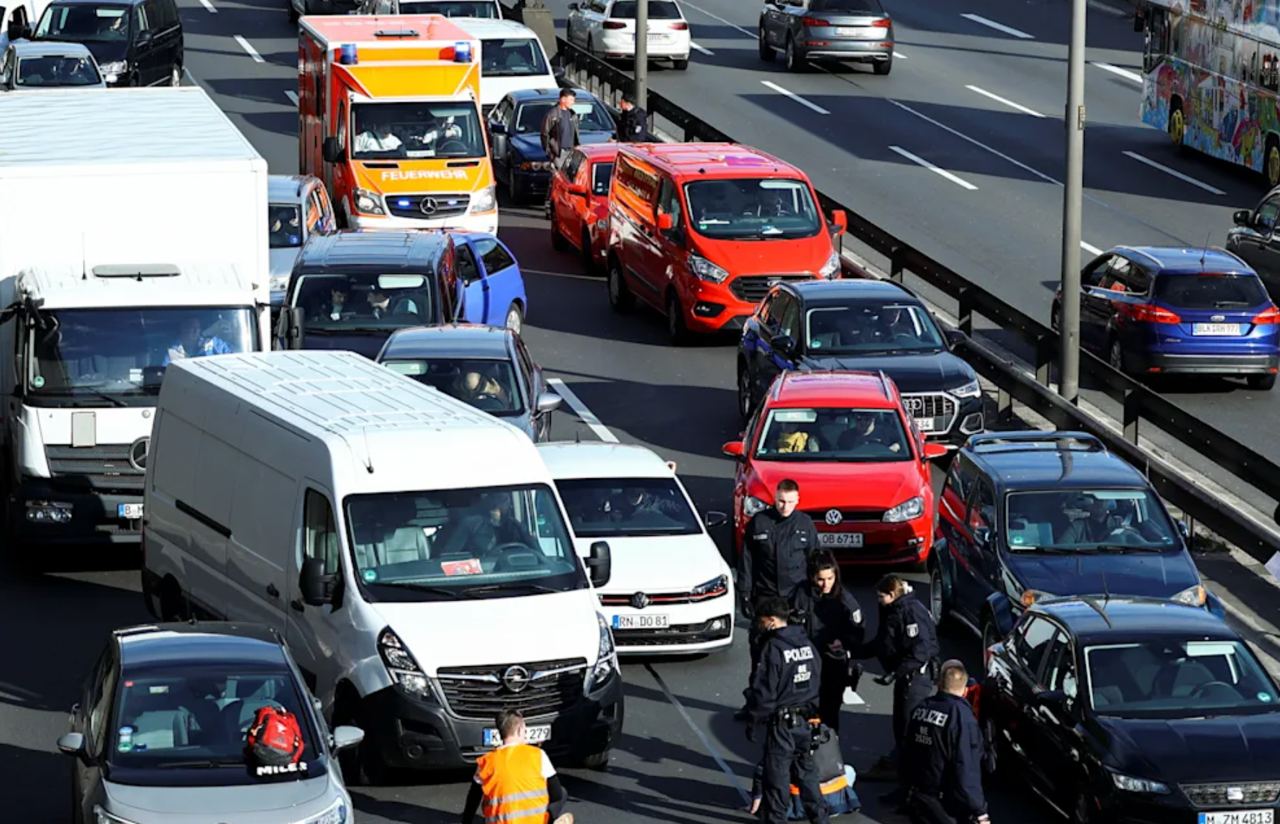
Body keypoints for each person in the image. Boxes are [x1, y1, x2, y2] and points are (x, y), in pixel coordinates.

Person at [736, 479, 819, 719]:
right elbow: (747, 560)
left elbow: (815, 560)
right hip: (765, 597)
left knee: (796, 656)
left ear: (798, 500)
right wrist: (744, 591)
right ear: (775, 497)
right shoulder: (760, 522)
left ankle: (795, 706)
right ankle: (754, 705)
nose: (785, 507)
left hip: (795, 600)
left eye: (790, 502)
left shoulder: (804, 524)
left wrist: (813, 596)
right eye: (781, 501)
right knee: (760, 654)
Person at [744, 596, 830, 824]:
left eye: (762, 621)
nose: (760, 626)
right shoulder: (807, 644)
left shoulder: (773, 648)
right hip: (806, 721)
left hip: (781, 725)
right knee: (808, 775)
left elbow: (764, 693)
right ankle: (820, 819)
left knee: (777, 781)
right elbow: (817, 677)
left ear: (772, 621)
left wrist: (753, 721)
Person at [855, 574, 939, 788]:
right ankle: (901, 771)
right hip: (906, 677)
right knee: (901, 726)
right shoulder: (894, 611)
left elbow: (921, 651)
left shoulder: (910, 612)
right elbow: (883, 644)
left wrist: (896, 673)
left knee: (908, 728)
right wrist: (852, 652)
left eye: (881, 596)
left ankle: (911, 781)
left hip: (915, 678)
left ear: (892, 594)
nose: (878, 600)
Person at [901, 661, 990, 824]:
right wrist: (979, 811)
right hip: (946, 804)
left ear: (940, 683)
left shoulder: (921, 708)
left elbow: (907, 749)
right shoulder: (961, 717)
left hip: (919, 794)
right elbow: (965, 765)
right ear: (964, 691)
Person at [789, 551, 864, 735]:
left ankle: (829, 746)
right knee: (807, 710)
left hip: (833, 661)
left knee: (830, 712)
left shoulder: (844, 600)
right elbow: (790, 625)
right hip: (807, 661)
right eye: (821, 579)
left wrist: (844, 642)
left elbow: (858, 629)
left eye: (830, 578)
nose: (826, 584)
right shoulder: (800, 595)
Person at [462, 709, 573, 824]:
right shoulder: (538, 755)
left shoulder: (486, 762)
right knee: (562, 792)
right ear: (520, 731)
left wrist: (466, 821)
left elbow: (473, 800)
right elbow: (556, 794)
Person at [439, 493, 536, 555]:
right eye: (493, 508)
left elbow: (539, 555)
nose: (495, 512)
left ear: (508, 508)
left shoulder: (516, 527)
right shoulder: (471, 525)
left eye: (500, 508)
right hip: (477, 577)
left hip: (512, 576)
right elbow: (448, 556)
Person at [540, 88, 580, 181]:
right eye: (571, 100)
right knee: (559, 179)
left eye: (573, 100)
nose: (573, 102)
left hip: (572, 152)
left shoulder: (572, 114)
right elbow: (544, 134)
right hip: (559, 154)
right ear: (563, 99)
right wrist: (550, 153)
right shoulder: (552, 115)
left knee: (571, 178)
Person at [164, 317, 232, 365]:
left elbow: (232, 360)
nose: (196, 331)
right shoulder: (172, 351)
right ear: (183, 329)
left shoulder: (214, 343)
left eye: (198, 328)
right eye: (192, 328)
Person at [1056, 494, 1121, 544]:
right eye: (1094, 500)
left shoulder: (1118, 524)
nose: (1098, 503)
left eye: (1101, 500)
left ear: (1108, 502)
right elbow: (1063, 545)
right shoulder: (1077, 527)